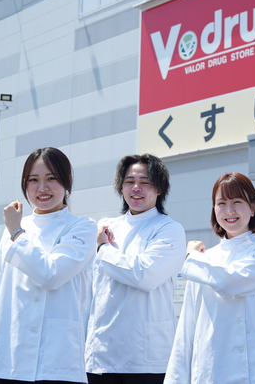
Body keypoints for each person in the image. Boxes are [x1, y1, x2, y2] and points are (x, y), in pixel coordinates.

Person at [0, 147, 96, 384]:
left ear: (67, 181)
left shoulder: (82, 228)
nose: (42, 187)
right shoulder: (13, 228)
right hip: (7, 361)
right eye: (33, 180)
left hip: (57, 361)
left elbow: (51, 274)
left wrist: (17, 232)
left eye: (51, 178)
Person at [165, 172, 255, 384]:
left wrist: (191, 257)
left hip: (254, 371)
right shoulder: (203, 260)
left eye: (237, 202)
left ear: (253, 207)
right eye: (221, 203)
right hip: (209, 369)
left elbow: (229, 282)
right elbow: (187, 327)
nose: (229, 211)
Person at [85, 154, 186, 384]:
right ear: (121, 188)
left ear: (159, 189)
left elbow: (145, 275)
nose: (136, 188)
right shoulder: (107, 226)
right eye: (129, 182)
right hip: (101, 356)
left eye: (145, 182)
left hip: (145, 359)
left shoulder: (169, 229)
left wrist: (104, 249)